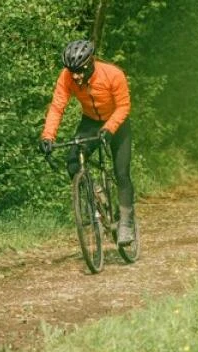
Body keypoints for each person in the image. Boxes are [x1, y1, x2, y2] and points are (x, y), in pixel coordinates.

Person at [39, 40, 136, 246]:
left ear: (91, 62)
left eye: (80, 70)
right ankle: (97, 194)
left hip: (117, 123)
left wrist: (109, 129)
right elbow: (57, 107)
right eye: (72, 71)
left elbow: (124, 106)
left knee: (121, 172)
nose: (75, 76)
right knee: (73, 161)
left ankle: (126, 223)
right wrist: (48, 137)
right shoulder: (67, 77)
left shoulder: (113, 74)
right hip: (90, 121)